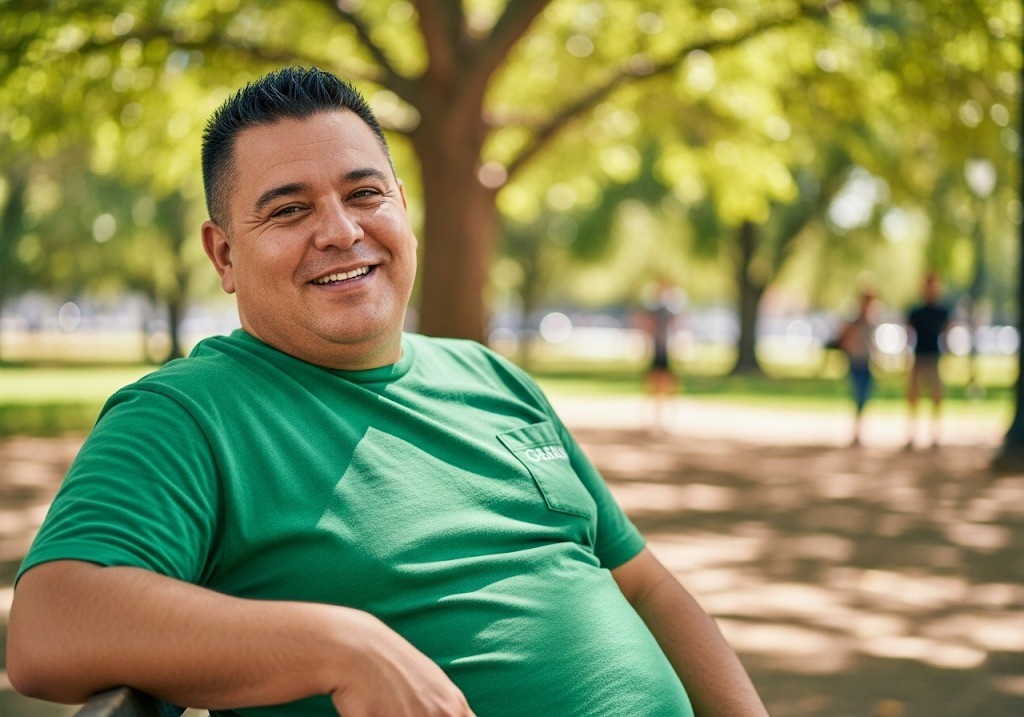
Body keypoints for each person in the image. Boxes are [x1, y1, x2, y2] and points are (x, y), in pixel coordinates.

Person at [8, 67, 769, 717]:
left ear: (402, 206)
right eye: (289, 209)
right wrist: (343, 645)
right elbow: (47, 625)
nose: (340, 231)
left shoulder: (492, 377)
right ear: (224, 253)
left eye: (363, 193)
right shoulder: (188, 413)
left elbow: (644, 584)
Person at [905, 272, 951, 448]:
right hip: (919, 356)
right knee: (913, 395)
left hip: (934, 356)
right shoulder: (916, 312)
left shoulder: (942, 312)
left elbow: (946, 333)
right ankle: (911, 433)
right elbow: (909, 335)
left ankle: (935, 433)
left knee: (936, 395)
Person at [639, 278, 685, 431]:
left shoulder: (670, 310)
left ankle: (667, 415)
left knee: (668, 383)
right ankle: (654, 416)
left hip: (665, 349)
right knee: (654, 383)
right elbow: (648, 326)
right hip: (657, 349)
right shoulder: (655, 310)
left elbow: (677, 326)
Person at [836, 289, 878, 446]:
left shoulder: (871, 321)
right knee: (858, 393)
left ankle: (859, 429)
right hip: (856, 361)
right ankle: (855, 429)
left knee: (865, 395)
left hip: (866, 362)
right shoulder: (855, 321)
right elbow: (843, 338)